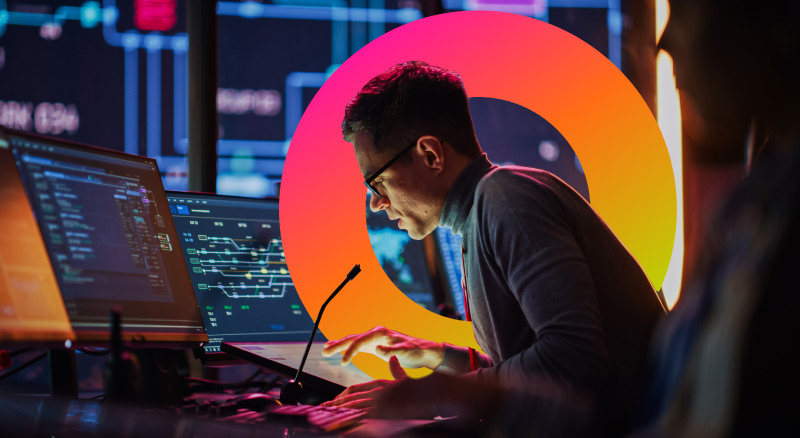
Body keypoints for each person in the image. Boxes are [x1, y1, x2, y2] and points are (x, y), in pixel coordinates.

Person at [320, 61, 665, 433]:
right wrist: (439, 357)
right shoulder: (483, 211)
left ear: (431, 155)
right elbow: (527, 372)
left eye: (377, 181)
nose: (376, 202)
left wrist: (429, 392)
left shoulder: (506, 199)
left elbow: (572, 362)